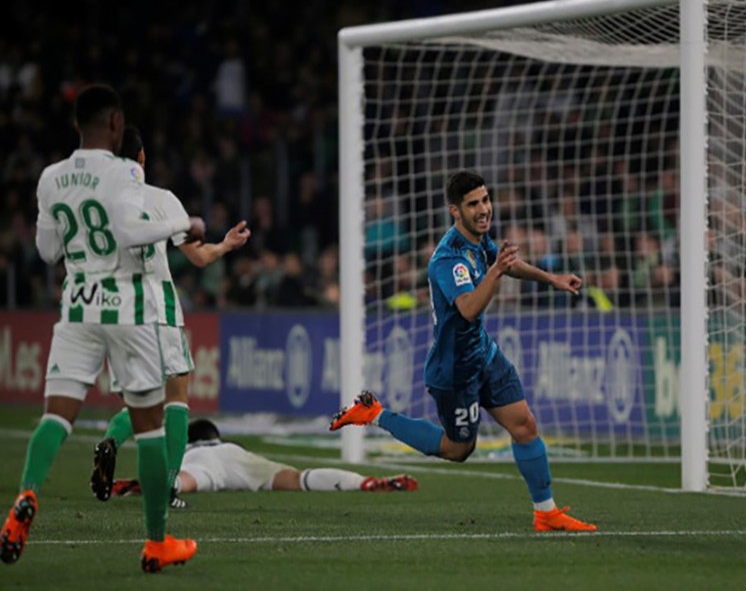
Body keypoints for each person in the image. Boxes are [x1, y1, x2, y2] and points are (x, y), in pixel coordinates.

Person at [0, 84, 205, 572]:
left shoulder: (50, 178)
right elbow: (130, 232)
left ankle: (24, 497)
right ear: (115, 124)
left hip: (77, 305)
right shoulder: (124, 171)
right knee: (151, 427)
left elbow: (49, 251)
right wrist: (185, 224)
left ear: (77, 124)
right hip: (128, 308)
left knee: (57, 415)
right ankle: (156, 543)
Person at [331, 170, 596, 532]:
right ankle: (373, 413)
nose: (484, 209)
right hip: (454, 369)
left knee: (525, 425)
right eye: (474, 204)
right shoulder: (447, 259)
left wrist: (552, 279)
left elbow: (508, 265)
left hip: (483, 354)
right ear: (455, 210)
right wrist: (496, 272)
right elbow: (469, 307)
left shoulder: (479, 241)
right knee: (458, 449)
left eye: (485, 200)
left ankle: (546, 513)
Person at [91, 125, 251, 510]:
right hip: (158, 309)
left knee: (144, 397)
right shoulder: (162, 200)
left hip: (119, 311)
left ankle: (112, 440)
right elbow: (198, 257)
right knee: (175, 396)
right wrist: (226, 245)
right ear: (142, 157)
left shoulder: (100, 207)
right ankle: (167, 486)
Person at [109, 418, 419, 495]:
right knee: (297, 478)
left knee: (186, 480)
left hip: (199, 461)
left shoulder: (190, 449)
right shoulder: (227, 446)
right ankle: (363, 483)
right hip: (238, 456)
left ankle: (146, 486)